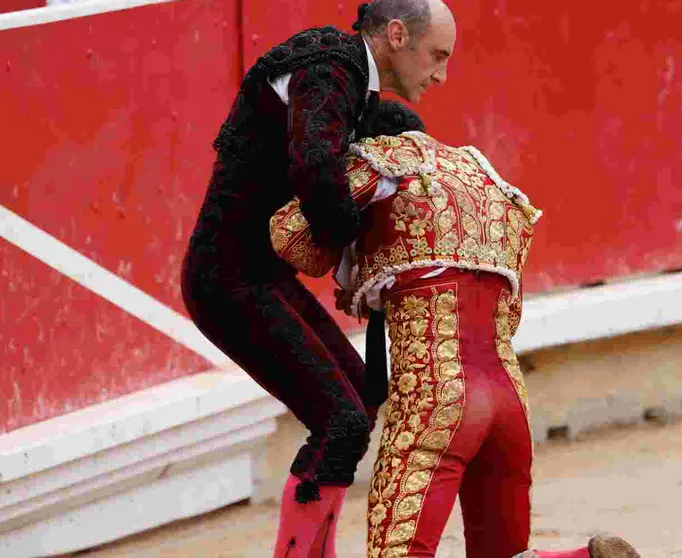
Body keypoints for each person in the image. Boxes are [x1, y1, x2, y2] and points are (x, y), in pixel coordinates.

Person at [277, 100, 641, 558]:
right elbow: (509, 315)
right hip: (508, 399)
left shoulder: (380, 161)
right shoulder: (486, 180)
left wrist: (338, 217)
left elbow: (291, 238)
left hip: (436, 394)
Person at [179, 2, 456, 557]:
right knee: (342, 420)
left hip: (258, 276)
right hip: (226, 280)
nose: (441, 73)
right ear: (397, 35)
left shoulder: (351, 79)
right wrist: (353, 251)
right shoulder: (331, 69)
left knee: (359, 397)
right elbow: (313, 164)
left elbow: (386, 132)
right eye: (437, 55)